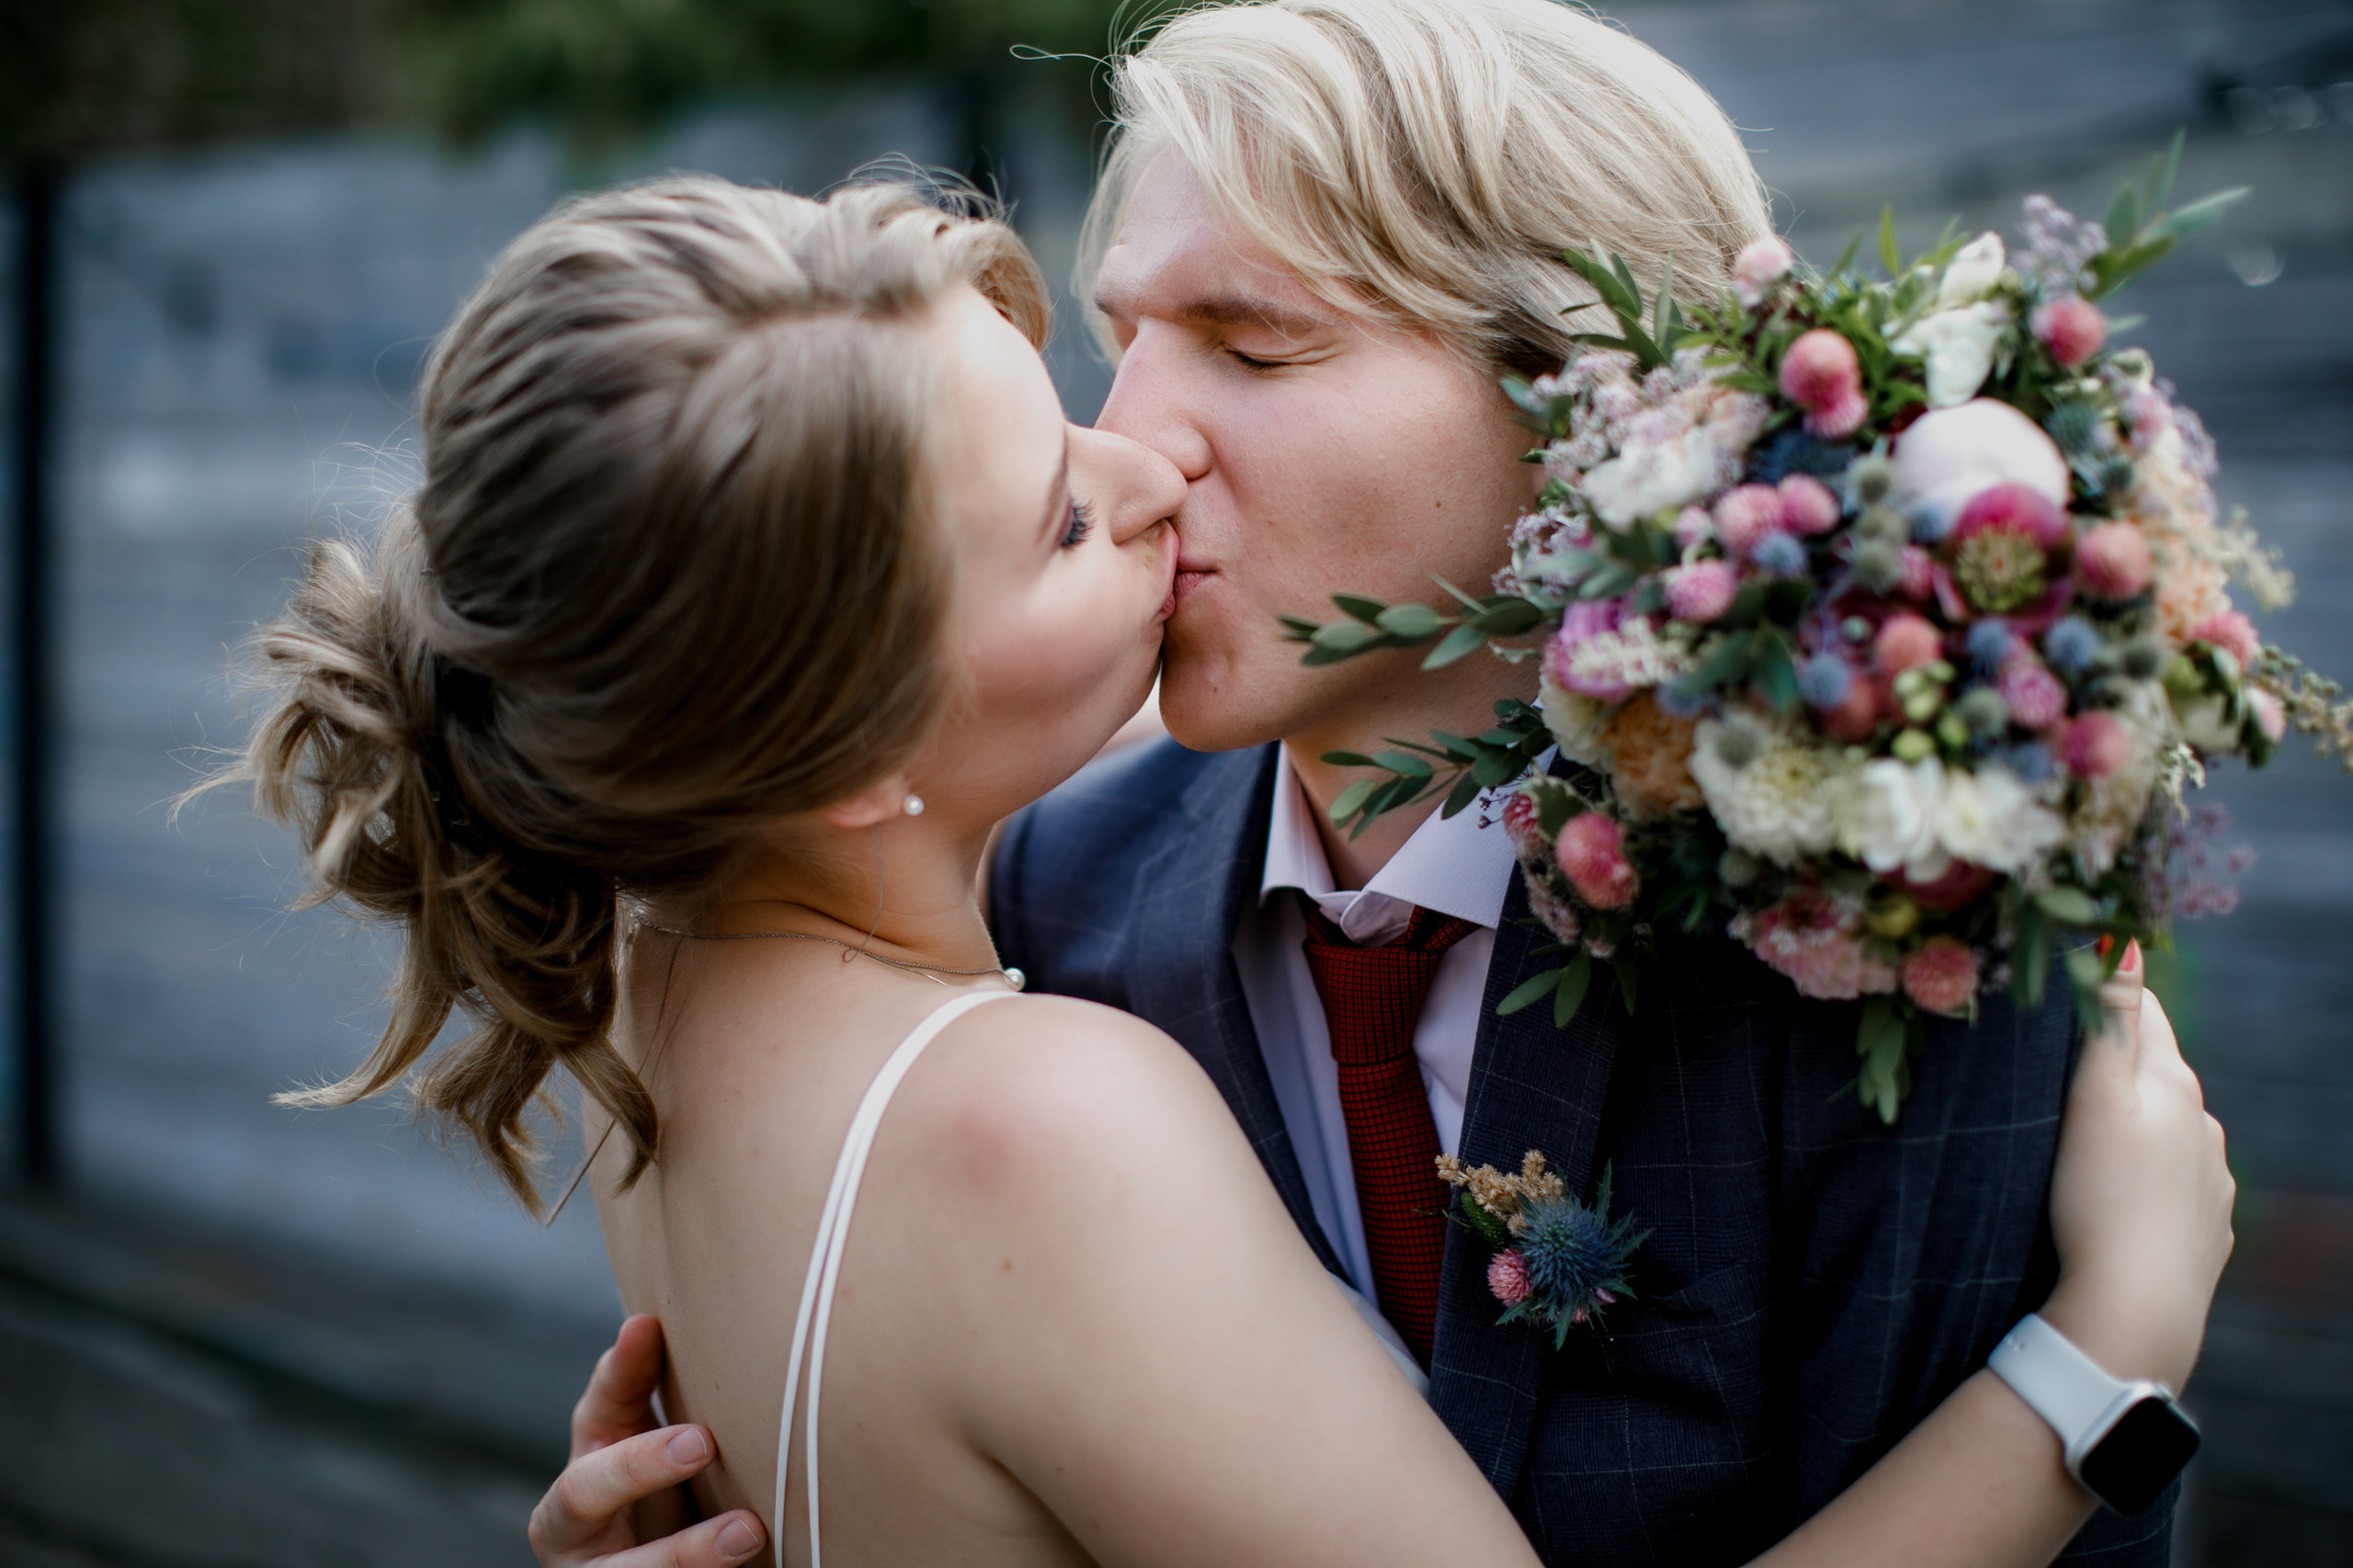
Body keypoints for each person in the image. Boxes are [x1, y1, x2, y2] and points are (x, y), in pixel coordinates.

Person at [240, 9, 2224, 1568]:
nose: (1140, 440)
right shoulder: (1045, 916)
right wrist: (2104, 1362)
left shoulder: (1882, 953)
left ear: (1606, 414)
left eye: (1252, 343)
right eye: (1120, 336)